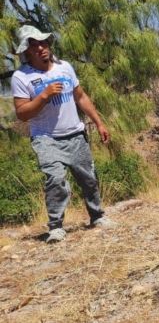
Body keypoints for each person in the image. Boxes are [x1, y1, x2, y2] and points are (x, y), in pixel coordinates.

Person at [11, 25, 116, 243]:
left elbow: (81, 96)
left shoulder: (65, 67)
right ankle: (56, 227)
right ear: (26, 51)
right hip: (46, 138)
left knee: (88, 178)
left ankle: (97, 216)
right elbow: (22, 113)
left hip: (75, 134)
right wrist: (43, 96)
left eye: (43, 42)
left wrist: (99, 123)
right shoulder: (21, 77)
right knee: (55, 179)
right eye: (34, 45)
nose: (40, 47)